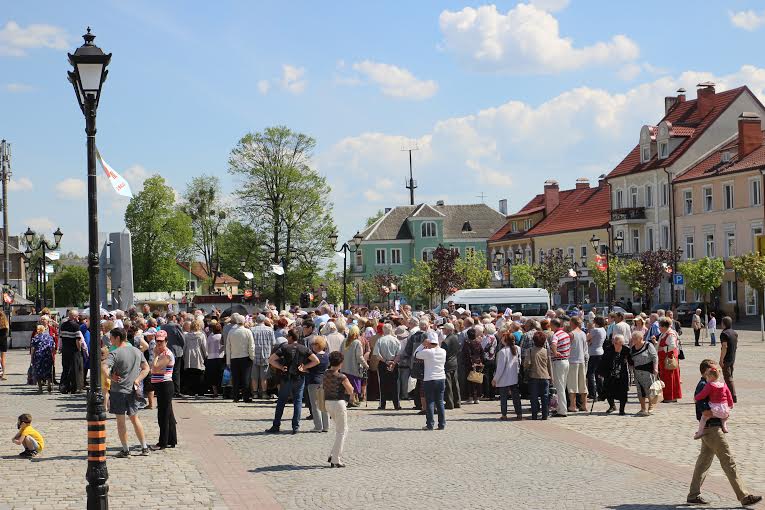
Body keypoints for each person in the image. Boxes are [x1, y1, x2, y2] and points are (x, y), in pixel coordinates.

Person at [687, 359, 762, 506]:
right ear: (705, 371)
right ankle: (744, 496)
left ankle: (693, 495)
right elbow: (704, 411)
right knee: (729, 461)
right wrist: (721, 414)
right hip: (712, 429)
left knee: (703, 463)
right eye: (713, 369)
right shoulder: (704, 385)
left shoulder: (711, 384)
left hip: (710, 429)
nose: (716, 371)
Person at [105, 328, 150, 457]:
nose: (110, 340)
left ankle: (126, 450)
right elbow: (146, 368)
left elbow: (104, 367)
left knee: (121, 421)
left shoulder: (115, 353)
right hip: (133, 389)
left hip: (118, 390)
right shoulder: (137, 351)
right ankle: (144, 447)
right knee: (135, 419)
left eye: (112, 338)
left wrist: (110, 377)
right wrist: (137, 380)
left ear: (117, 338)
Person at [266, 329, 320, 434]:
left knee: (281, 401)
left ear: (291, 337)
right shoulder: (304, 348)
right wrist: (305, 367)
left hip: (286, 377)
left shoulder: (284, 347)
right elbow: (316, 361)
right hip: (299, 377)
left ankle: (276, 425)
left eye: (287, 336)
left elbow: (271, 359)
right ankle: (295, 426)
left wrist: (281, 367)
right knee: (298, 402)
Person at [323, 351, 354, 468]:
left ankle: (333, 454)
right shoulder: (341, 376)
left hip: (327, 403)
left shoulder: (325, 373)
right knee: (341, 431)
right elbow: (350, 390)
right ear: (340, 363)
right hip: (339, 403)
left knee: (343, 429)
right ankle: (336, 459)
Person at [150, 329, 177, 450]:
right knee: (168, 414)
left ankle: (163, 442)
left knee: (163, 415)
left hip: (165, 385)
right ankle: (171, 439)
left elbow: (155, 367)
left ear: (166, 341)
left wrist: (155, 356)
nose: (159, 344)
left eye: (161, 341)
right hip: (161, 385)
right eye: (157, 341)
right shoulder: (162, 353)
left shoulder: (166, 354)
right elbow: (155, 369)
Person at [415, 330, 446, 431]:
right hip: (441, 378)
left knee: (430, 402)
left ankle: (430, 424)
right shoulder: (443, 351)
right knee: (440, 402)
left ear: (429, 342)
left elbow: (416, 354)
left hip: (430, 379)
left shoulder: (428, 352)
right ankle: (441, 424)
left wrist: (423, 345)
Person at [693, 364, 733, 439]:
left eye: (707, 377)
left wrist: (696, 398)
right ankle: (724, 425)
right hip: (724, 408)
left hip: (715, 408)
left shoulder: (709, 385)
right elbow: (729, 395)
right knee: (725, 417)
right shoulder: (723, 384)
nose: (706, 379)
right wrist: (730, 404)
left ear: (710, 377)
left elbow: (702, 395)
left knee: (704, 418)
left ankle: (700, 431)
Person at [225, 313, 255, 403]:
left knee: (235, 378)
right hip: (245, 357)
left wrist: (228, 361)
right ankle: (246, 397)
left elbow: (228, 347)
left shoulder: (231, 332)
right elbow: (251, 346)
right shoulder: (247, 331)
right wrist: (252, 356)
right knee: (246, 378)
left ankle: (236, 397)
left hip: (234, 357)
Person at [492, 330, 521, 421]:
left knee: (503, 397)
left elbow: (500, 368)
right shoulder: (517, 348)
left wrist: (495, 379)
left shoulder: (502, 352)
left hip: (504, 378)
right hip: (514, 376)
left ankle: (504, 414)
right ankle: (519, 414)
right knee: (516, 397)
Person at [599, 334, 630, 415]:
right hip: (610, 373)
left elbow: (631, 361)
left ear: (621, 343)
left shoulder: (626, 350)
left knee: (623, 392)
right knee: (609, 390)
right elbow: (603, 361)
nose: (614, 343)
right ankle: (612, 406)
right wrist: (601, 372)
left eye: (617, 342)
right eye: (614, 342)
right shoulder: (609, 349)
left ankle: (622, 409)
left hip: (622, 374)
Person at [525, 331, 552, 420]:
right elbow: (549, 365)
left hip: (534, 376)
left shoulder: (529, 350)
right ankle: (545, 415)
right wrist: (551, 377)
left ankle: (534, 415)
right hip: (545, 376)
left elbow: (527, 364)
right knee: (545, 397)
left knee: (534, 397)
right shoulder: (546, 351)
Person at [629, 331, 658, 416]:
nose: (634, 340)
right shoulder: (633, 348)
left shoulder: (648, 345)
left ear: (641, 338)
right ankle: (642, 408)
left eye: (636, 338)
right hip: (637, 372)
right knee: (640, 391)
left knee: (649, 390)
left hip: (647, 371)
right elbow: (630, 359)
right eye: (633, 338)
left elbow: (654, 357)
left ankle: (650, 407)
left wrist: (655, 368)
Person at [374, 323, 401, 410]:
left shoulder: (380, 340)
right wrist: (393, 362)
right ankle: (397, 405)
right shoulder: (396, 340)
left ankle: (382, 405)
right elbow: (399, 354)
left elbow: (377, 354)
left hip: (383, 363)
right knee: (395, 384)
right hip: (394, 363)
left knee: (382, 384)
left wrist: (386, 361)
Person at [306, 336, 330, 432]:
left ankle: (318, 426)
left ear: (317, 345)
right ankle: (326, 426)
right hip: (324, 381)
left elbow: (307, 369)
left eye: (313, 344)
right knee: (324, 405)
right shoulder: (327, 356)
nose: (312, 346)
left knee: (315, 405)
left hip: (313, 381)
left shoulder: (314, 357)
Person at [340, 325, 368, 407]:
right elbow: (359, 357)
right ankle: (351, 400)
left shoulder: (344, 341)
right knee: (354, 385)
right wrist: (365, 365)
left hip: (344, 368)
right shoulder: (357, 343)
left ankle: (351, 400)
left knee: (347, 385)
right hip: (354, 369)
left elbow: (340, 353)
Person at [251, 314, 276, 399]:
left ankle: (255, 393)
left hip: (254, 355)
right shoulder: (269, 330)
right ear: (264, 320)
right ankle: (264, 393)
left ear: (256, 320)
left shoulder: (252, 330)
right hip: (266, 355)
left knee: (254, 376)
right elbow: (273, 343)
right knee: (264, 377)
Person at [59, 310, 84, 394]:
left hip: (65, 350)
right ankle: (73, 387)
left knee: (65, 368)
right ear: (74, 317)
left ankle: (63, 386)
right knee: (74, 369)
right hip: (74, 351)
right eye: (77, 316)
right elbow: (78, 340)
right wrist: (79, 349)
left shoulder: (63, 325)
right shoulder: (76, 326)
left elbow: (61, 338)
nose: (78, 318)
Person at [657, 317, 682, 402]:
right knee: (665, 378)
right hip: (663, 360)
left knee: (670, 378)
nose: (659, 328)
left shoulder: (670, 334)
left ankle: (670, 397)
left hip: (669, 360)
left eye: (660, 326)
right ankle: (669, 396)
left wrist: (662, 349)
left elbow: (673, 346)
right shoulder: (664, 333)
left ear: (664, 326)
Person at [567, 317, 588, 413]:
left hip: (572, 361)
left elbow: (568, 348)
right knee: (582, 384)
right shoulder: (583, 333)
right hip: (582, 360)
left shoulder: (571, 334)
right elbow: (585, 348)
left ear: (572, 323)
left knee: (572, 384)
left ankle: (573, 405)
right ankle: (584, 405)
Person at [549, 318, 570, 417]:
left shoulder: (555, 335)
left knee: (559, 387)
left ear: (553, 325)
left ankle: (562, 410)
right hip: (566, 361)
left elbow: (553, 344)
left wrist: (554, 352)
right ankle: (560, 408)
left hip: (558, 362)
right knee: (562, 386)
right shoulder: (566, 334)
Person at [161, 315, 185, 396]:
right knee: (176, 372)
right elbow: (182, 339)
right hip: (176, 351)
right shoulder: (176, 326)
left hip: (166, 351)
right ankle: (176, 391)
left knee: (167, 371)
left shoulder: (163, 326)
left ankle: (167, 390)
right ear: (173, 318)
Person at [183, 318, 208, 397]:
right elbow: (204, 346)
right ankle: (200, 390)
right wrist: (206, 355)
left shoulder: (186, 335)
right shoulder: (201, 335)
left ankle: (191, 391)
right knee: (199, 373)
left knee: (190, 373)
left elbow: (184, 346)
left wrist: (184, 355)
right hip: (198, 354)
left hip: (189, 354)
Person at [440, 322, 461, 410]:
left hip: (448, 364)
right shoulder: (456, 337)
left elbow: (444, 354)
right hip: (454, 362)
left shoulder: (446, 341)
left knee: (448, 385)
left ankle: (449, 403)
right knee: (455, 383)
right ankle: (457, 402)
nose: (442, 330)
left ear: (448, 330)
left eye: (444, 329)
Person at [718, 316, 738, 404]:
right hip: (732, 357)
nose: (721, 324)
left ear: (724, 324)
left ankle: (733, 397)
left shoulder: (724, 334)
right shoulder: (734, 332)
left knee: (728, 378)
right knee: (730, 376)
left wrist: (721, 359)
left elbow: (724, 347)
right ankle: (729, 394)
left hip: (726, 358)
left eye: (722, 323)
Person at [586, 316, 606, 402]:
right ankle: (601, 393)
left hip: (593, 353)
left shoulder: (595, 330)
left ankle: (592, 393)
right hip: (600, 351)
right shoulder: (603, 330)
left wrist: (589, 331)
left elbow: (587, 338)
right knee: (598, 374)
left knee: (590, 374)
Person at [30, 325, 55, 394]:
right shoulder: (49, 337)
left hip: (38, 356)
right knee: (48, 370)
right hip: (47, 355)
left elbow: (33, 349)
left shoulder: (36, 338)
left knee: (38, 372)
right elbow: (53, 347)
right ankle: (49, 384)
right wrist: (52, 355)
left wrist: (32, 357)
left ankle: (40, 388)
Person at [463, 328, 483, 404]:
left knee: (470, 381)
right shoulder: (478, 342)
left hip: (470, 364)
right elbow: (481, 352)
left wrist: (471, 363)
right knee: (477, 380)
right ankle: (477, 397)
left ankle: (471, 397)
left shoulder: (467, 342)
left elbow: (468, 354)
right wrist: (480, 361)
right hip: (478, 363)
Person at [205, 322, 225, 399]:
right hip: (220, 357)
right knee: (221, 375)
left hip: (211, 357)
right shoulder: (222, 337)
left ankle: (215, 392)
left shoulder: (210, 337)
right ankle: (222, 391)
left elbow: (207, 347)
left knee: (213, 376)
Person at [0, 309, 8, 380]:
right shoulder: (5, 324)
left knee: (0, 359)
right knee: (3, 359)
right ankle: (3, 374)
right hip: (4, 341)